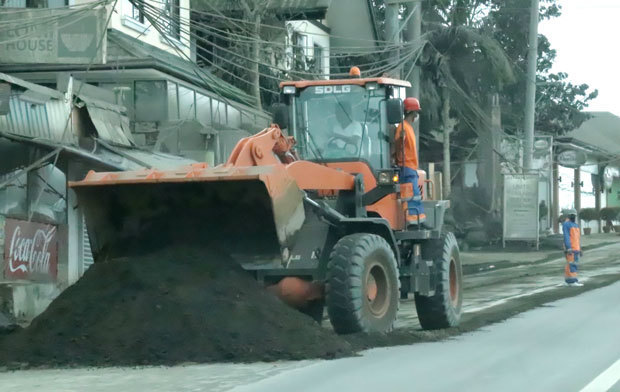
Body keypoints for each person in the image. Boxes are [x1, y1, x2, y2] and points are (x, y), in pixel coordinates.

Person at [395, 97, 426, 226]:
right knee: (413, 196)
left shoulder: (408, 128)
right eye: (416, 112)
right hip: (406, 167)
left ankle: (416, 220)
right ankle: (414, 222)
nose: (417, 115)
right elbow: (397, 145)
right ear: (412, 113)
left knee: (414, 195)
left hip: (410, 167)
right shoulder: (402, 127)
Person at [562, 209, 583, 287]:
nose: (573, 216)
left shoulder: (576, 225)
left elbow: (578, 238)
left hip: (576, 248)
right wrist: (569, 248)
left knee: (571, 264)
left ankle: (568, 281)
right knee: (572, 265)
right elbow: (566, 237)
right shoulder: (566, 224)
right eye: (572, 215)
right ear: (569, 215)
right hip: (571, 249)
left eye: (574, 215)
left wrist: (580, 249)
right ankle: (572, 281)